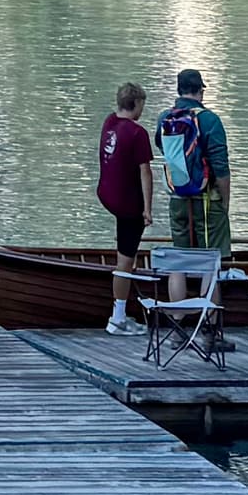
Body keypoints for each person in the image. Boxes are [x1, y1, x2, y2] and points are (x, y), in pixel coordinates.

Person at [153, 67, 228, 294]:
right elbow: (221, 168)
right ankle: (211, 319)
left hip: (177, 197)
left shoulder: (164, 118)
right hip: (207, 200)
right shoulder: (210, 120)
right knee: (211, 261)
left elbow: (162, 147)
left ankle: (178, 314)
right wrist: (225, 203)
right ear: (200, 91)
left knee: (179, 258)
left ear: (179, 89)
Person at [94, 82, 155, 319]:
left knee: (127, 248)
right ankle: (118, 317)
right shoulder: (138, 133)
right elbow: (145, 173)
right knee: (125, 260)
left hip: (107, 194)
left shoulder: (109, 122)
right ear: (137, 103)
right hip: (128, 203)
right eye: (142, 104)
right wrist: (147, 210)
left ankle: (130, 296)